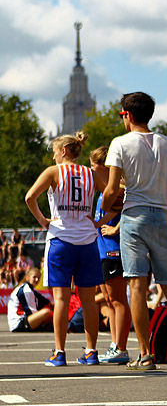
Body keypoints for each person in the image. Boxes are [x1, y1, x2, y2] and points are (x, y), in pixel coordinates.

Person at [102, 91, 167, 370]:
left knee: (137, 287)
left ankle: (145, 354)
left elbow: (111, 188)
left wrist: (104, 205)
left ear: (127, 115)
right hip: (163, 216)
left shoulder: (120, 144)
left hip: (134, 217)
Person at [24, 133, 104, 366]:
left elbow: (30, 197)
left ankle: (59, 352)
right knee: (88, 301)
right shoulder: (91, 173)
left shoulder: (53, 171)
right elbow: (117, 194)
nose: (53, 155)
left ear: (64, 151)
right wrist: (100, 219)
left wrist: (43, 221)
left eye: (54, 151)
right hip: (88, 241)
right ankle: (91, 351)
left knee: (61, 299)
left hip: (61, 238)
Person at [89, 146, 132, 364]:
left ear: (106, 167)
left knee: (118, 298)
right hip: (102, 247)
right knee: (108, 299)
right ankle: (116, 345)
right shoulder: (102, 189)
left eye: (93, 167)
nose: (90, 171)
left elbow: (131, 211)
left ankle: (121, 347)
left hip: (114, 248)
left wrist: (116, 229)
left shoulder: (120, 188)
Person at [7, 267, 53, 332]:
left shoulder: (32, 290)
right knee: (46, 312)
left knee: (48, 312)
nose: (37, 279)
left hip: (23, 321)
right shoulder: (26, 290)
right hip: (19, 323)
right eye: (34, 277)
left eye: (38, 278)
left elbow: (46, 302)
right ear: (28, 278)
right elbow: (32, 313)